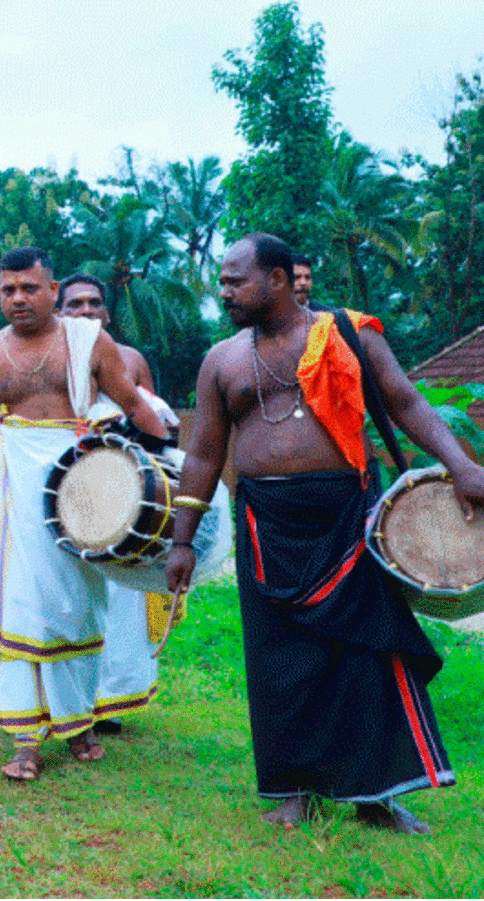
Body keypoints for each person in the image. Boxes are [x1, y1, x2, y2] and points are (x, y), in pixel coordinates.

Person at [166, 233, 484, 835]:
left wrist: (462, 465)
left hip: (348, 517)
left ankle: (377, 795)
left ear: (280, 279)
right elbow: (204, 454)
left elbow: (405, 402)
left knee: (366, 655)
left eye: (237, 280)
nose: (225, 291)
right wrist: (183, 540)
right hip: (265, 524)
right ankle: (294, 790)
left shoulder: (348, 334)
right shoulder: (222, 360)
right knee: (278, 661)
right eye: (224, 281)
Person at [0, 247, 169, 780]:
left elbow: (133, 404)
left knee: (75, 606)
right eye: (7, 290)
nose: (18, 299)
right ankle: (26, 738)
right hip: (15, 494)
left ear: (52, 290)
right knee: (21, 607)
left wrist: (175, 465)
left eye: (29, 288)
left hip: (80, 488)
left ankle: (77, 724)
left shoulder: (87, 341)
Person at [57, 273, 180, 734]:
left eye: (94, 304)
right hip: (68, 492)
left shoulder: (129, 359)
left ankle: (111, 700)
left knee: (122, 597)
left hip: (125, 492)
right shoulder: (48, 356)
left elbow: (157, 422)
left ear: (106, 313)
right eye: (75, 305)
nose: (86, 312)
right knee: (72, 592)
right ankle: (70, 695)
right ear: (61, 312)